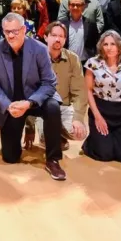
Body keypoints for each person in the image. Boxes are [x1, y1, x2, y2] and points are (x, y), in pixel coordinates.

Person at [0, 12, 66, 180]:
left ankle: (53, 160)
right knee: (10, 157)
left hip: (36, 100)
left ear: (23, 30)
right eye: (7, 31)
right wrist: (8, 105)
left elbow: (49, 83)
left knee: (52, 107)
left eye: (15, 31)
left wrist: (29, 103)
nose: (11, 35)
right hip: (12, 104)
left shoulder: (40, 49)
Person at [82, 29, 121, 163]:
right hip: (100, 109)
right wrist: (97, 116)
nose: (109, 48)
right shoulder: (92, 63)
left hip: (120, 112)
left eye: (113, 44)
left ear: (119, 46)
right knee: (104, 155)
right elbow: (88, 90)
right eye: (105, 44)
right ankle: (90, 142)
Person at [42, 21, 87, 149]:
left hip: (64, 107)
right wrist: (29, 127)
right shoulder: (37, 56)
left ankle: (56, 134)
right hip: (43, 109)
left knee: (80, 134)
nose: (58, 39)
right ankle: (48, 134)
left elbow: (79, 91)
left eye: (61, 36)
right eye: (54, 35)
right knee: (44, 138)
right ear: (46, 37)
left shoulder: (73, 58)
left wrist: (78, 118)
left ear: (65, 39)